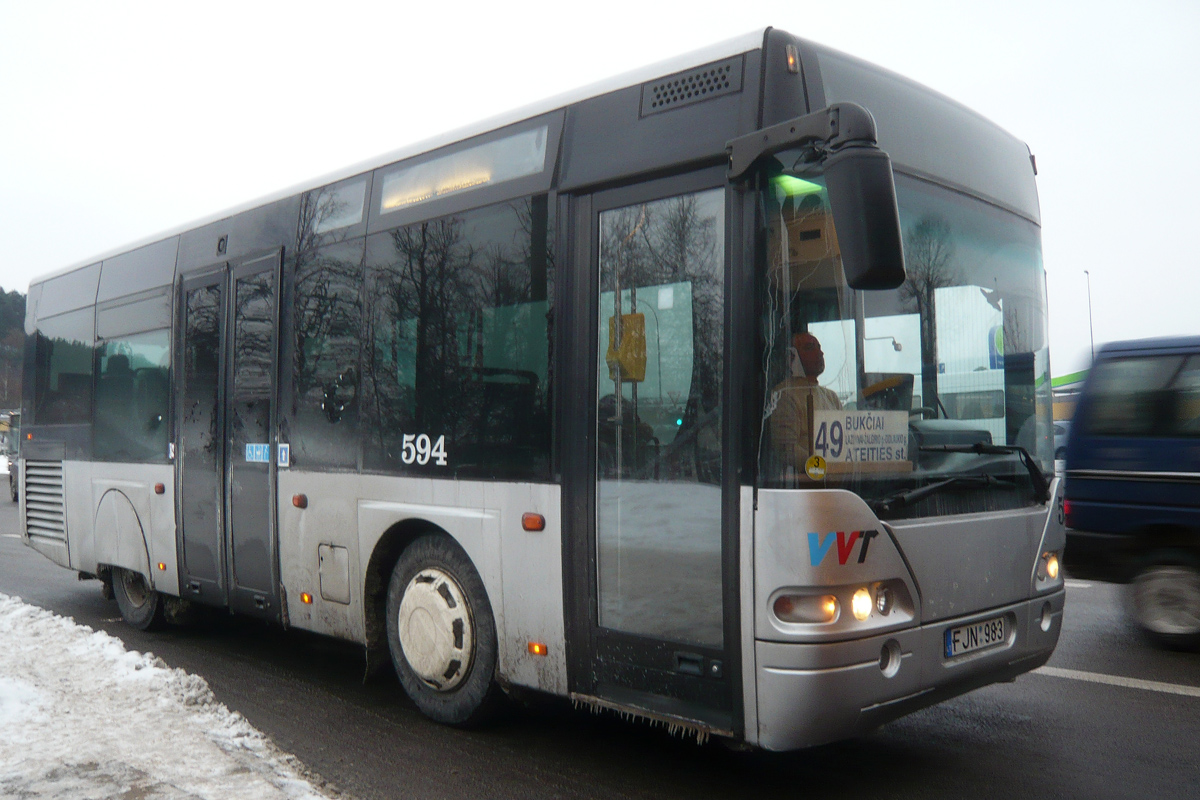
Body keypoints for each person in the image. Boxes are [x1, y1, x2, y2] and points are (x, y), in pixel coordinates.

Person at [767, 331, 842, 471]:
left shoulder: (831, 397)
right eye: (810, 348)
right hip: (804, 485)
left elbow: (845, 443)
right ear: (791, 357)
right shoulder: (784, 394)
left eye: (819, 347)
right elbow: (786, 450)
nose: (820, 353)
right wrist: (822, 468)